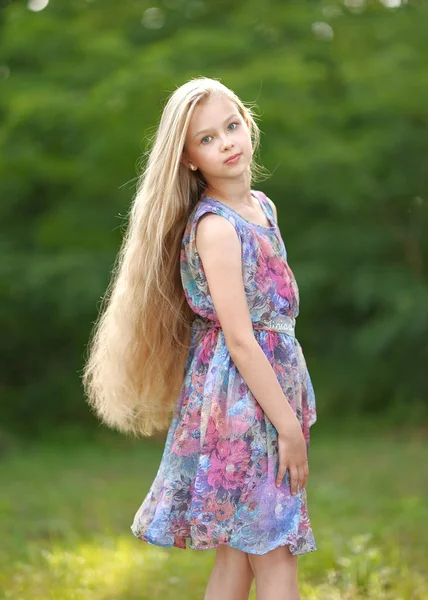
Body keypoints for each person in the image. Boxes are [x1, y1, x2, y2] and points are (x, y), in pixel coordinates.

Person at [83, 76, 317, 600]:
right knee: (276, 555)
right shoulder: (216, 227)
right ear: (189, 158)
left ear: (248, 125)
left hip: (266, 394)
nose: (226, 143)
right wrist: (288, 428)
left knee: (237, 559)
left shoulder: (263, 207)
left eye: (231, 126)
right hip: (244, 406)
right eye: (207, 139)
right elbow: (239, 339)